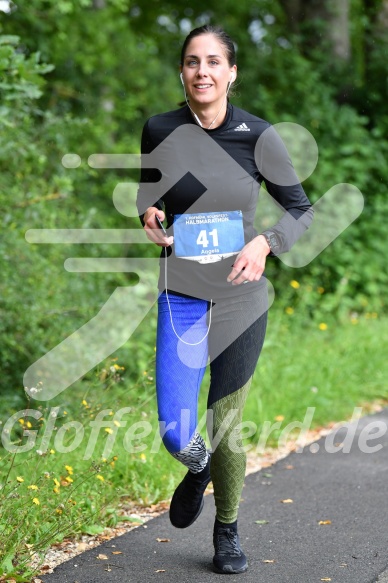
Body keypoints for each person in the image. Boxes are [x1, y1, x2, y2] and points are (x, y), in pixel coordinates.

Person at [137, 25, 313, 575]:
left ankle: (228, 530)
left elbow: (302, 210)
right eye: (192, 62)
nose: (203, 72)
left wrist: (266, 242)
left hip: (240, 297)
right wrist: (148, 213)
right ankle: (198, 468)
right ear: (182, 72)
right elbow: (150, 191)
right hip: (182, 294)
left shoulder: (259, 137)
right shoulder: (159, 128)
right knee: (175, 430)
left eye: (214, 62)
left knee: (226, 420)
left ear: (232, 72)